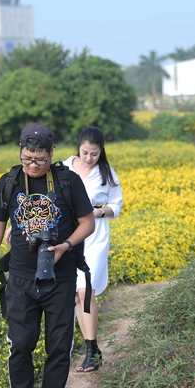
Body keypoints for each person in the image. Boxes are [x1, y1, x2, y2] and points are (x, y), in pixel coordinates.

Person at [0, 123, 95, 388]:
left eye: (40, 159)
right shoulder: (9, 182)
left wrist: (64, 246)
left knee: (59, 348)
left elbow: (87, 224)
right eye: (26, 158)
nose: (33, 165)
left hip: (59, 279)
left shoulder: (68, 181)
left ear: (52, 152)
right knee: (20, 347)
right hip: (20, 279)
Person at [63, 127, 123, 373]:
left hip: (96, 233)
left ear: (102, 152)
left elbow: (116, 203)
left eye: (95, 154)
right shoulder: (63, 168)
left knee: (86, 290)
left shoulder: (107, 173)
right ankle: (92, 350)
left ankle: (91, 349)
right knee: (77, 295)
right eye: (85, 153)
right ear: (78, 147)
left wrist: (99, 211)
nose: (89, 158)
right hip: (70, 233)